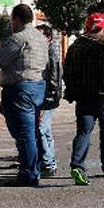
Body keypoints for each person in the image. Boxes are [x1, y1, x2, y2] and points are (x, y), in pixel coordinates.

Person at [63, 13, 104, 185]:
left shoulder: (76, 46)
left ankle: (77, 165)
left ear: (87, 26)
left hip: (84, 98)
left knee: (83, 133)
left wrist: (71, 90)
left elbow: (67, 72)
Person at [0, 4, 49, 187]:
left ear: (17, 19)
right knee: (33, 131)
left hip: (20, 89)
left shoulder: (18, 38)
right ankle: (36, 167)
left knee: (24, 133)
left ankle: (28, 173)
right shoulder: (41, 38)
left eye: (12, 20)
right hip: (38, 87)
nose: (11, 24)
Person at [35, 23, 62, 177]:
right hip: (44, 97)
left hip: (47, 99)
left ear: (49, 38)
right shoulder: (43, 52)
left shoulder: (51, 54)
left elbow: (54, 79)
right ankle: (50, 162)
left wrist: (48, 100)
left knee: (41, 129)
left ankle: (48, 164)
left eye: (40, 36)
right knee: (47, 131)